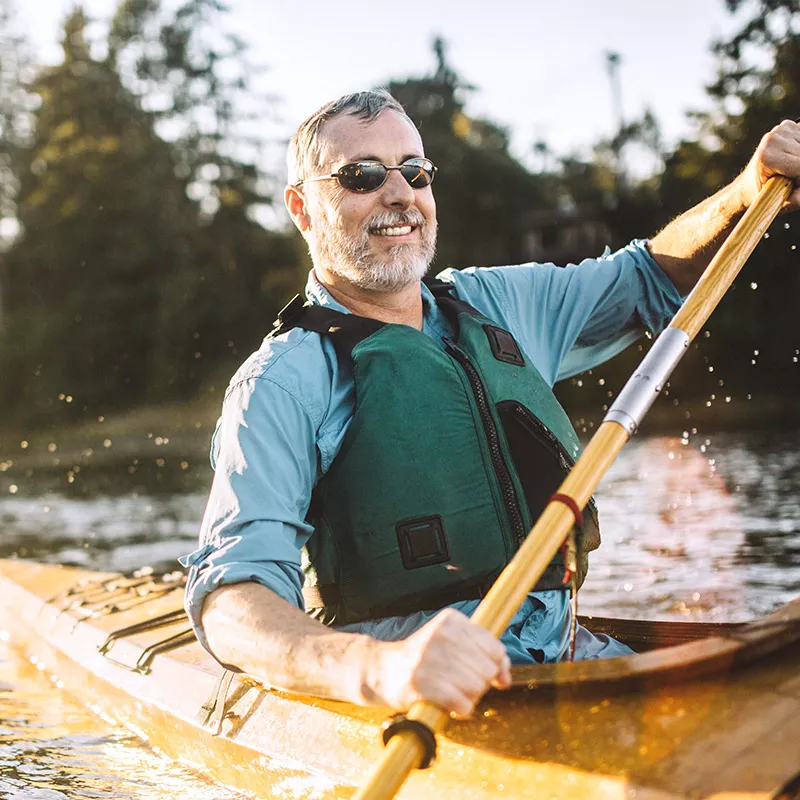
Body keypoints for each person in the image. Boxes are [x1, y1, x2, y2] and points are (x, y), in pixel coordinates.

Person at [181, 90, 800, 718]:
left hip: (566, 657)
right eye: (361, 175)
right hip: (419, 700)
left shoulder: (497, 304)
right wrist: (380, 669)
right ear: (302, 210)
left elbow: (652, 276)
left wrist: (748, 190)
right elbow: (231, 601)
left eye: (414, 171)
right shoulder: (280, 383)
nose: (399, 194)